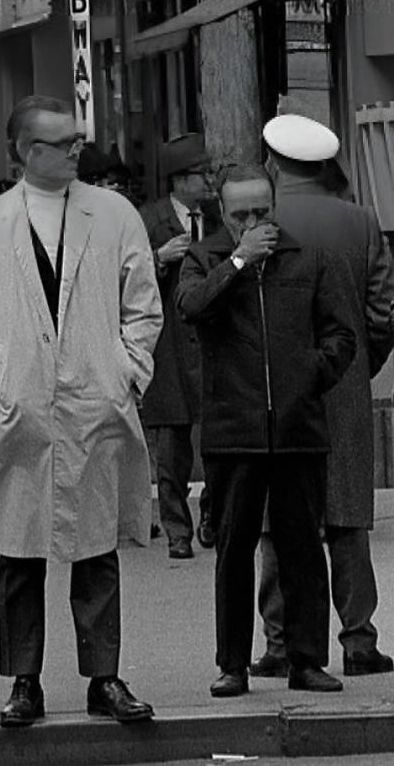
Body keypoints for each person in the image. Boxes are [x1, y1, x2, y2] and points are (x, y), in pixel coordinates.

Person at [0, 93, 162, 729]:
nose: (77, 151)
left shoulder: (113, 213)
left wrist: (126, 374)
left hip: (96, 402)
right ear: (23, 151)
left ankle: (105, 678)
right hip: (25, 407)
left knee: (96, 548)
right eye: (62, 143)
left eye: (76, 141)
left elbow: (143, 307)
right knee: (20, 552)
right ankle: (24, 680)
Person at [177, 161, 357, 696]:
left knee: (303, 547)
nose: (254, 223)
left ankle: (306, 659)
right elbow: (190, 308)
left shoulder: (306, 255)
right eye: (241, 215)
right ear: (223, 213)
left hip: (298, 426)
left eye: (262, 211)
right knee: (234, 548)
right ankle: (232, 662)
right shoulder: (204, 257)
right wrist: (236, 261)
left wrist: (310, 375)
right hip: (234, 430)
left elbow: (341, 333)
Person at [254, 114, 394, 678]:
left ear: (272, 162)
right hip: (344, 389)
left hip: (273, 393)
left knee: (276, 521)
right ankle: (358, 639)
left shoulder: (260, 221)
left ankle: (281, 640)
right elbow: (382, 314)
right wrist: (360, 364)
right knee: (347, 518)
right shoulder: (361, 222)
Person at [137, 131, 219, 559]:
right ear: (179, 180)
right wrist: (157, 258)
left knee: (217, 441)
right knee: (171, 447)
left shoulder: (219, 218)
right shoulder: (148, 220)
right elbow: (121, 278)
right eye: (201, 174)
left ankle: (211, 516)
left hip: (210, 345)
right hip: (166, 345)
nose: (208, 181)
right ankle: (176, 529)